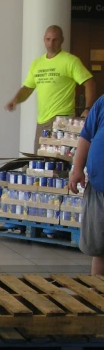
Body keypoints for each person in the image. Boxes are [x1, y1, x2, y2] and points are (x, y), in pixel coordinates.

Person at [5, 25, 95, 149]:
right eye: (48, 39)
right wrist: (15, 100)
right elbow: (27, 88)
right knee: (39, 160)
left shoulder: (70, 61)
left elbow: (89, 82)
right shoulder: (37, 63)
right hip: (41, 121)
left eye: (55, 40)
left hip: (61, 119)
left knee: (57, 161)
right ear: (44, 39)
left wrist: (88, 108)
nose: (51, 43)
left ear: (62, 40)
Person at [70, 94, 104, 275]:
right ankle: (97, 292)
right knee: (98, 247)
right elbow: (86, 136)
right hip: (99, 188)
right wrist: (77, 169)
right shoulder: (103, 102)